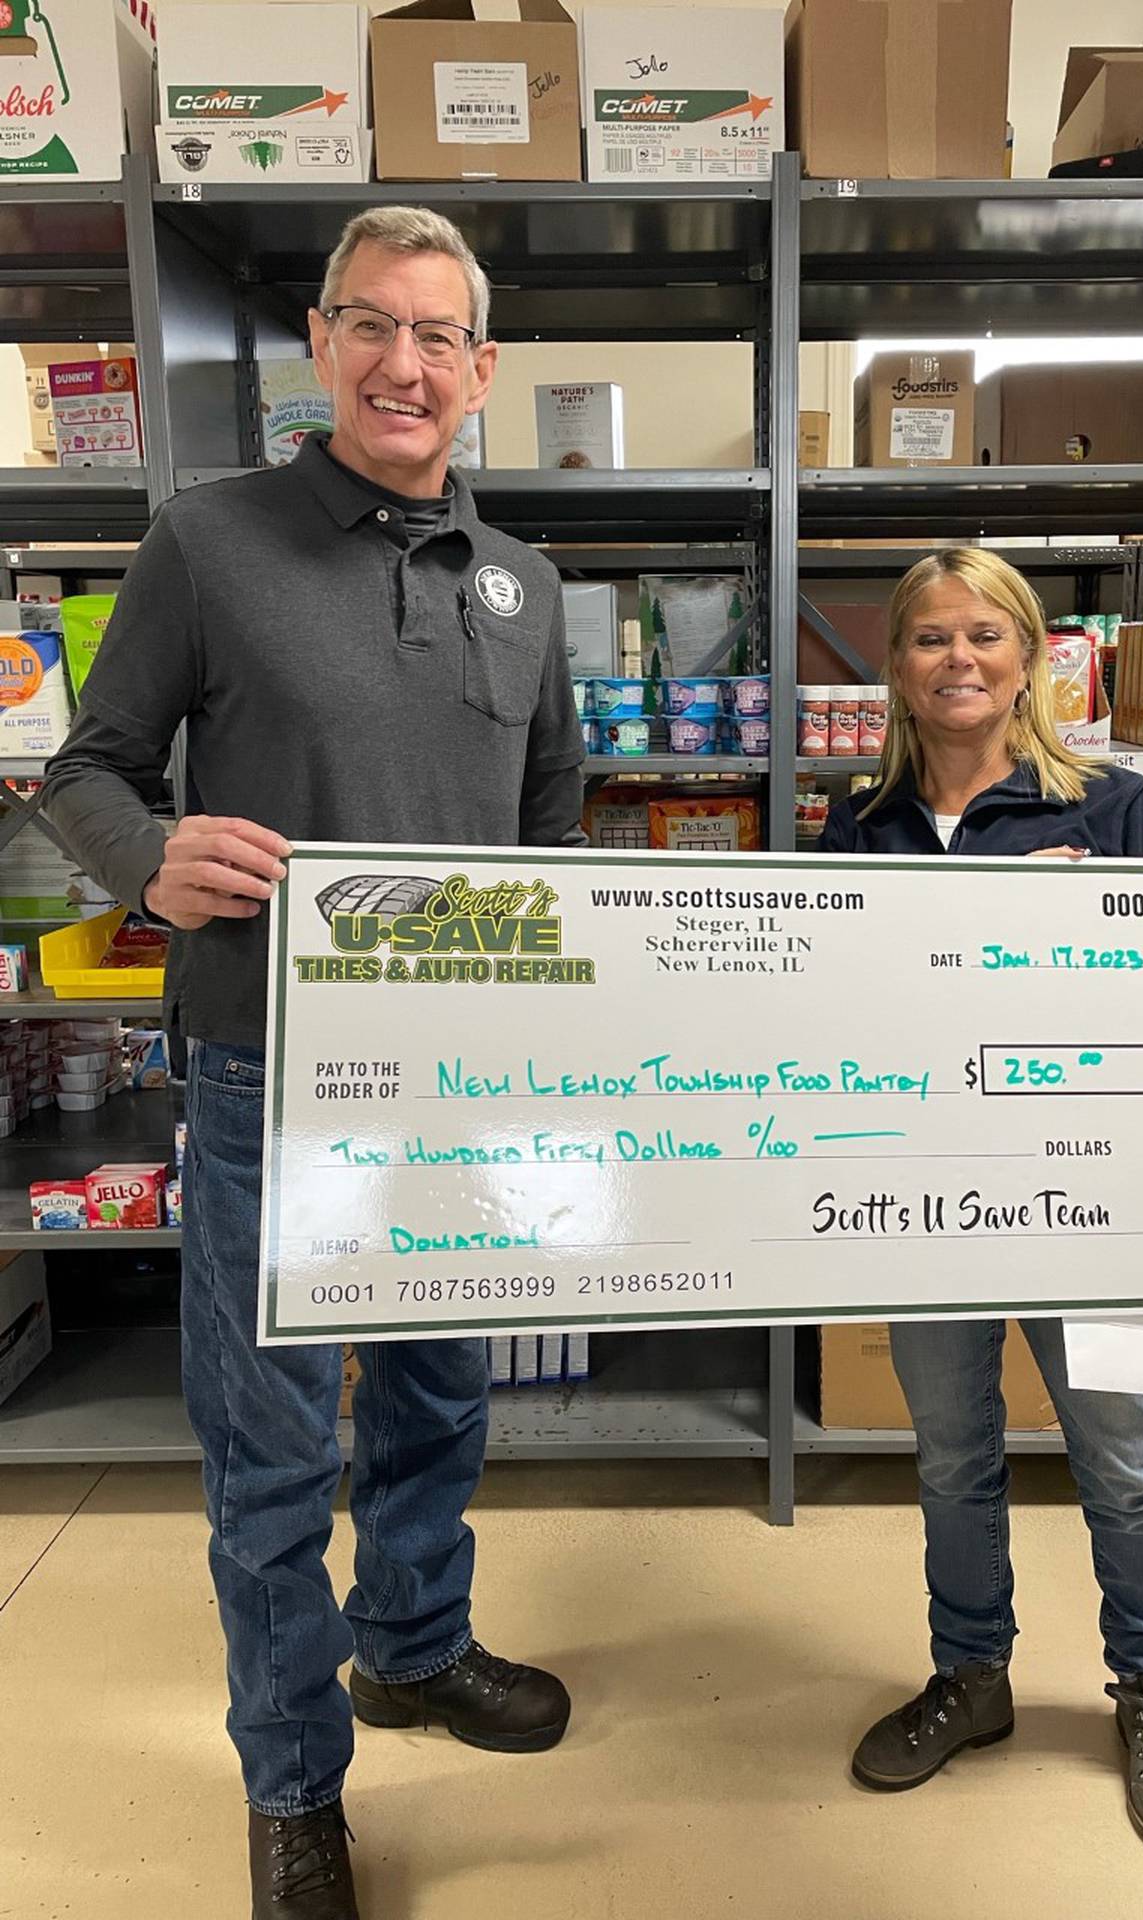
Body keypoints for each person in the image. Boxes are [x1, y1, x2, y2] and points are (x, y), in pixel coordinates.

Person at [45, 207, 583, 1919]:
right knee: (272, 1450)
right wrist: (151, 862)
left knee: (439, 1400)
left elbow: (556, 833)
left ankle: (413, 1650)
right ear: (321, 348)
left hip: (462, 1088)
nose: (404, 363)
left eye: (439, 336)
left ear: (481, 371)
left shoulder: (528, 584)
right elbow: (89, 767)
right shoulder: (210, 540)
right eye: (370, 325)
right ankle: (291, 1789)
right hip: (271, 1075)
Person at [819, 548, 1143, 1859]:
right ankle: (973, 1679)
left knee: (1120, 1460)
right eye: (931, 638)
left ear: (1032, 657)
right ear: (896, 664)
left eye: (985, 637)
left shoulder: (1111, 811)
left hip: (1090, 1195)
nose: (958, 661)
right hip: (928, 1199)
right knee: (951, 1456)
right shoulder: (861, 824)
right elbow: (825, 1030)